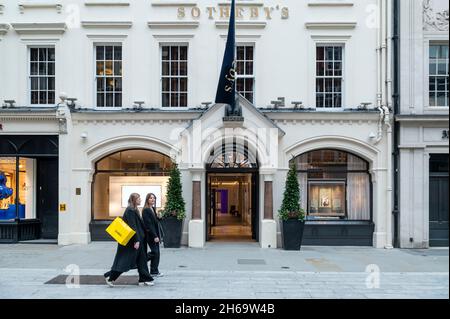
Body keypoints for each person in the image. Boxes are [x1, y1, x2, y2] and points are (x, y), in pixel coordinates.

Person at [104, 193, 154, 287]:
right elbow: (132, 226)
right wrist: (136, 240)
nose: (140, 200)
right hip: (132, 242)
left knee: (141, 260)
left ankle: (144, 279)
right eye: (138, 198)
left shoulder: (134, 209)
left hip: (139, 240)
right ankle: (109, 276)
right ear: (134, 200)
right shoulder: (130, 210)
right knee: (126, 261)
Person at [142, 193, 164, 277]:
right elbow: (148, 225)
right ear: (147, 199)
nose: (153, 199)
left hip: (155, 234)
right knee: (155, 252)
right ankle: (142, 260)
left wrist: (159, 217)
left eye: (154, 198)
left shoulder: (152, 208)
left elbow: (155, 221)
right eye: (151, 198)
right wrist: (155, 236)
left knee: (157, 253)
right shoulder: (146, 210)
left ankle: (154, 271)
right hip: (151, 235)